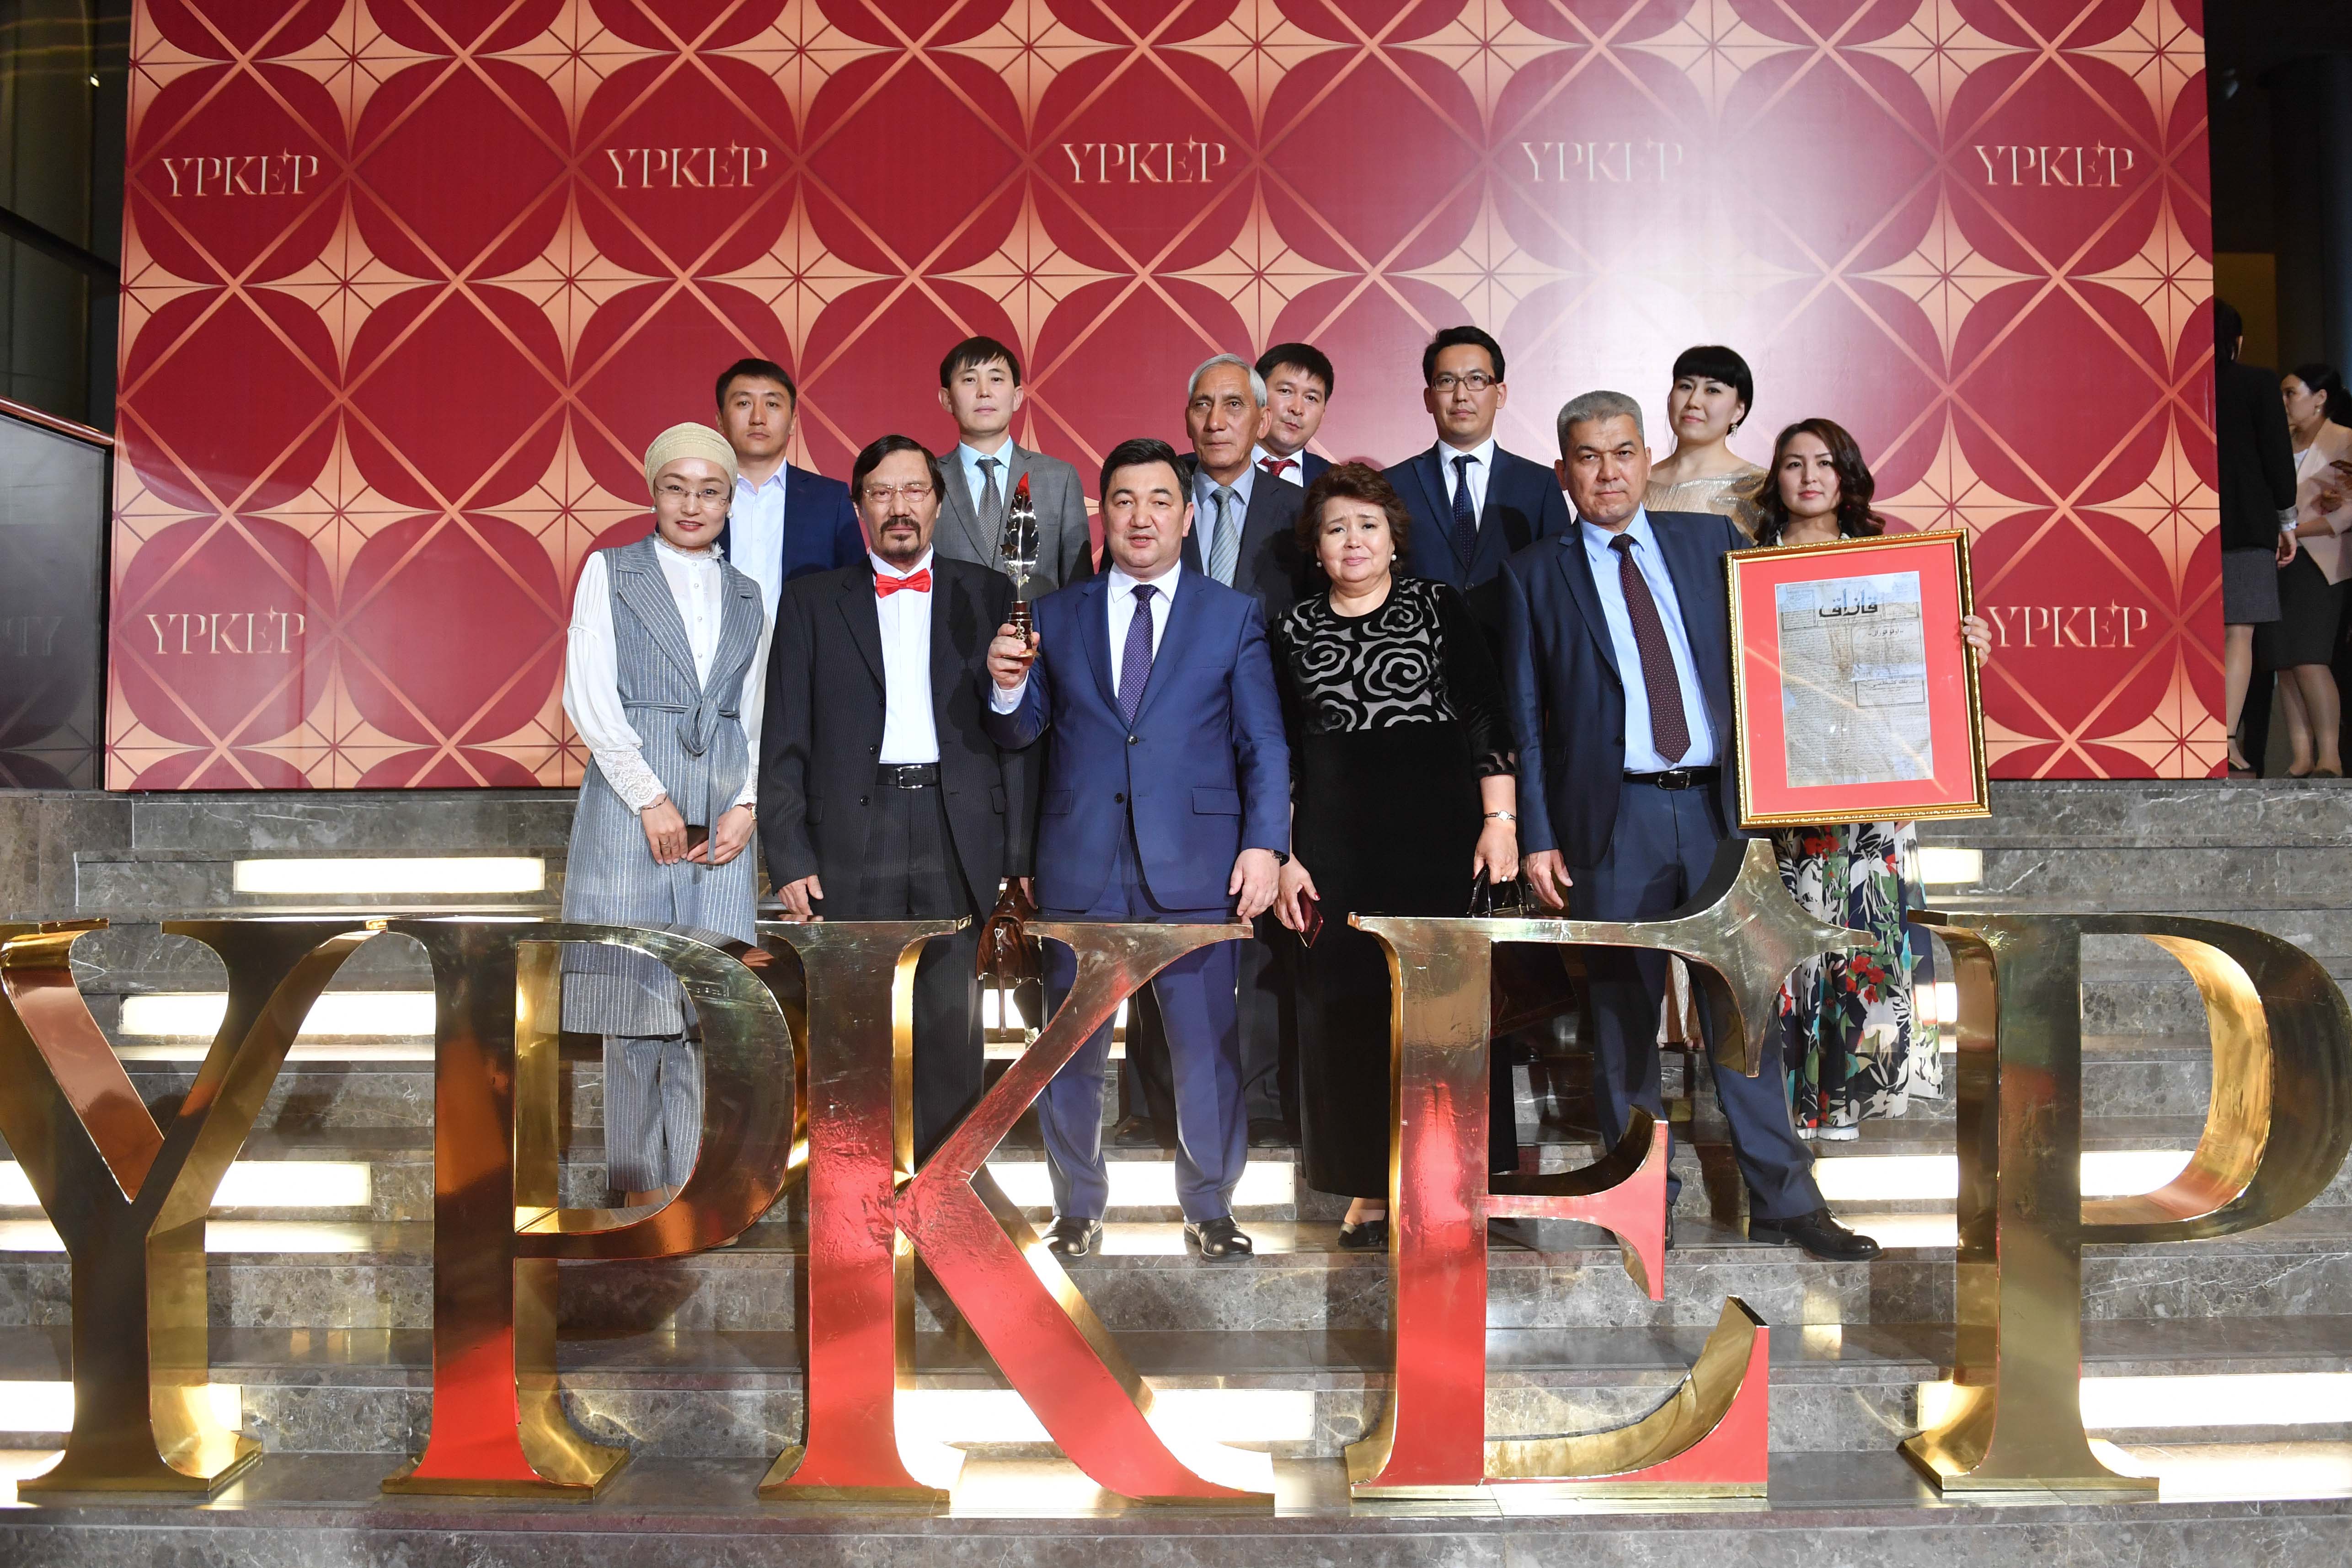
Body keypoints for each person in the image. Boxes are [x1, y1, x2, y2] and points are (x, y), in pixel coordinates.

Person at [1500, 389, 1878, 1261]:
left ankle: (1783, 1198)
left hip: (1716, 810)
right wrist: (1536, 833)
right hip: (1611, 817)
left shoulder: (1709, 540)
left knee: (1743, 1007)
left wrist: (1929, 638)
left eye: (1622, 452)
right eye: (1587, 456)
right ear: (1562, 471)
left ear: (1646, 459)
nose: (1607, 472)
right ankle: (1641, 1198)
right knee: (1620, 1014)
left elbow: (1804, 628)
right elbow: (1526, 714)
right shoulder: (1532, 572)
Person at [983, 437, 1290, 1262]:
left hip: (1197, 864)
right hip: (1078, 861)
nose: (1141, 517)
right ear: (1103, 515)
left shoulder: (1232, 614)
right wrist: (1006, 684)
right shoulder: (1055, 613)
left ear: (1187, 517)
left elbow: (1263, 743)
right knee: (1069, 1052)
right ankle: (1076, 1208)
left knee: (1205, 1051)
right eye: (1123, 500)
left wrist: (1265, 844)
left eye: (1159, 500)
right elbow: (1020, 732)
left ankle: (1210, 1206)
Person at [1269, 464, 1519, 1249]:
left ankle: (1458, 1182)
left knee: (1450, 1013)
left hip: (1440, 838)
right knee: (1348, 1014)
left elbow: (1485, 714)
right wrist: (1285, 855)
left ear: (1393, 538)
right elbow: (1280, 752)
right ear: (1316, 546)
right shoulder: (1290, 629)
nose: (1353, 540)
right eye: (1336, 527)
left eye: (1368, 525)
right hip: (1334, 848)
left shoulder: (1437, 605)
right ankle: (1370, 1190)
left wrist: (1500, 819)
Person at [759, 435, 1030, 1156]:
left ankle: (943, 1199)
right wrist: (788, 853)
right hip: (853, 831)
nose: (898, 507)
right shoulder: (812, 600)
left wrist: (1016, 855)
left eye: (914, 491)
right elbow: (784, 737)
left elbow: (1016, 732)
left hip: (953, 826)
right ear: (859, 508)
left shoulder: (988, 593)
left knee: (951, 1026)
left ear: (938, 503)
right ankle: (858, 1200)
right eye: (881, 493)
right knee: (855, 1027)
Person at [1748, 418, 1992, 1137]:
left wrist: (1965, 651)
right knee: (1793, 943)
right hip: (1783, 794)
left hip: (1873, 793)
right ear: (1776, 478)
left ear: (1847, 475)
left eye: (1825, 463)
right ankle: (1791, 1101)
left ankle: (1852, 1097)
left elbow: (1920, 675)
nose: (1809, 477)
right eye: (1793, 463)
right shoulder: (1747, 567)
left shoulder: (1889, 565)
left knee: (1866, 940)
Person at [560, 423, 769, 1206]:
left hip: (721, 810)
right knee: (632, 1003)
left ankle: (693, 1189)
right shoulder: (610, 571)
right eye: (676, 487)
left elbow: (759, 709)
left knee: (705, 1008)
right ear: (653, 491)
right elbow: (587, 691)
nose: (692, 504)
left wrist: (747, 803)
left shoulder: (748, 593)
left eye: (709, 491)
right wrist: (649, 796)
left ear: (728, 501)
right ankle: (635, 1193)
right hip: (630, 805)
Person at [712, 357, 867, 638]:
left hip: (807, 657)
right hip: (715, 656)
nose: (758, 417)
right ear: (720, 420)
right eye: (744, 403)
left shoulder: (830, 500)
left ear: (793, 422)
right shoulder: (695, 500)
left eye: (772, 404)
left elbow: (856, 592)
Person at [932, 335, 1096, 591]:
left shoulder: (1059, 479)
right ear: (947, 399)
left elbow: (1079, 588)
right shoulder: (927, 480)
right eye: (969, 380)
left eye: (996, 379)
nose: (984, 391)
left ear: (1017, 397)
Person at [2212, 301, 2299, 776]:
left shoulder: (2170, 384)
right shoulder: (2256, 383)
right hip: (2245, 523)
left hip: (2174, 524)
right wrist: (2286, 521)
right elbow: (2276, 457)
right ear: (2237, 341)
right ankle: (2224, 738)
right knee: (2238, 631)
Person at [2272, 364, 2352, 776]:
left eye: (2291, 393)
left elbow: (2348, 511)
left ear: (2320, 398)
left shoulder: (2345, 439)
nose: (2284, 402)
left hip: (2320, 558)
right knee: (2284, 660)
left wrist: (2294, 531)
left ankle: (2331, 757)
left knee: (2309, 658)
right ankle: (2301, 757)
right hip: (2278, 558)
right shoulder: (2278, 441)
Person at [1643, 344, 1766, 534]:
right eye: (1685, 387)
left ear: (1739, 410)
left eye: (1712, 390)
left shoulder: (1759, 488)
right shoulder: (1638, 483)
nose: (1693, 402)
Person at [1253, 342, 1335, 487]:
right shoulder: (1215, 466)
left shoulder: (1336, 484)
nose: (1297, 409)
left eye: (1311, 398)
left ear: (1322, 415)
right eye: (1286, 391)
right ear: (1257, 395)